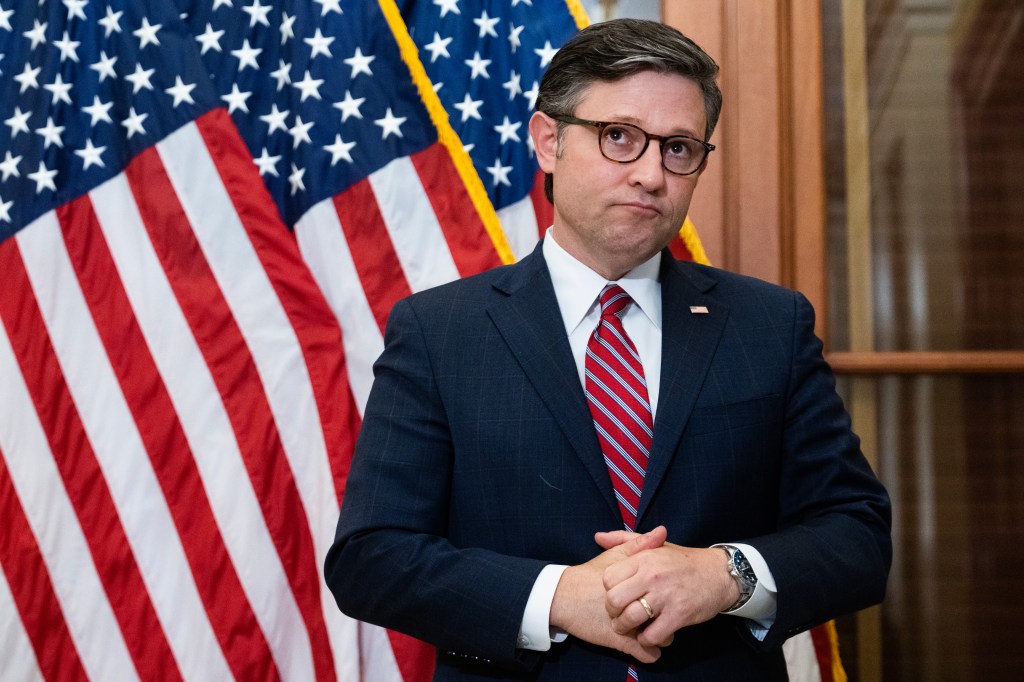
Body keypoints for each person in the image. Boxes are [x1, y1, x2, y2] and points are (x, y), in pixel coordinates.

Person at [324, 18, 891, 681]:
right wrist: (559, 598)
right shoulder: (440, 331)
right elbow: (371, 558)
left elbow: (857, 537)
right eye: (619, 137)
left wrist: (723, 575)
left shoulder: (769, 324)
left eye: (679, 148)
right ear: (548, 141)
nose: (651, 174)